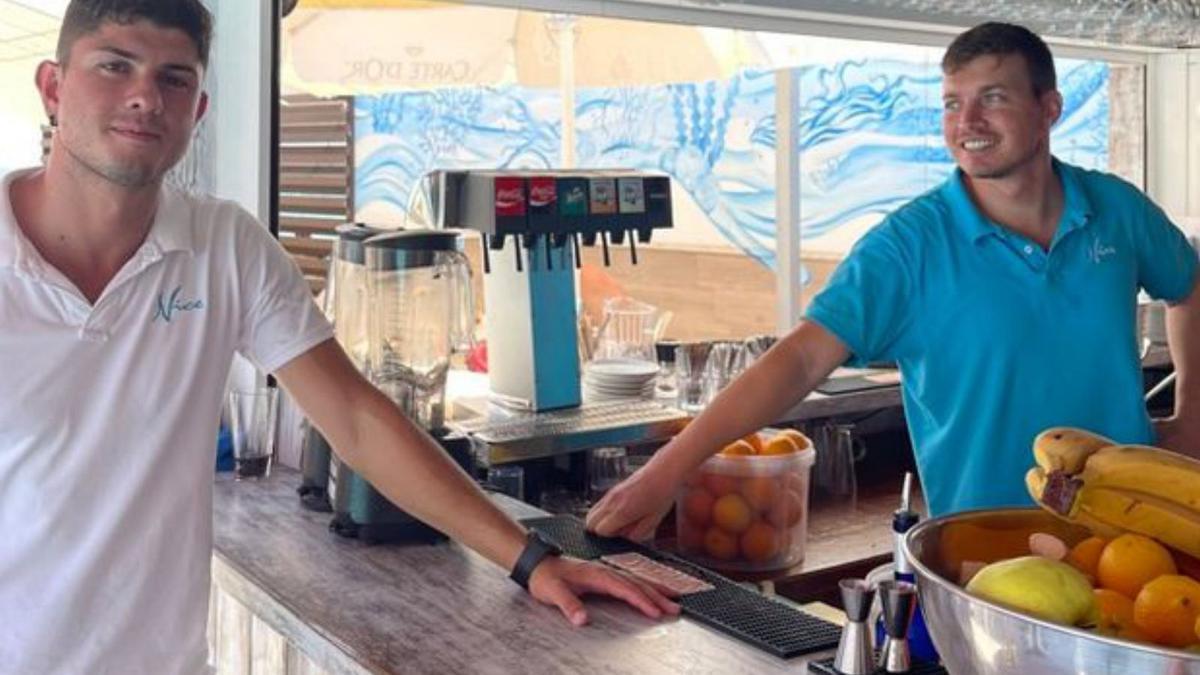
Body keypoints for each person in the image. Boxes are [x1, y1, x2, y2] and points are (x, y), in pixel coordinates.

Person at [0, 2, 677, 673]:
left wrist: (530, 558)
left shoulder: (224, 246)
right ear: (54, 88)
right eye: (115, 66)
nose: (145, 96)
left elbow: (354, 416)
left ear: (198, 111)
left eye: (174, 78)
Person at [588, 22, 1200, 540]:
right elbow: (799, 362)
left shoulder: (1117, 210)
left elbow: (1190, 287)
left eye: (993, 98)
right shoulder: (908, 246)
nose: (968, 121)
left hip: (1136, 533)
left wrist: (1191, 414)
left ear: (1049, 109)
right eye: (952, 102)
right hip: (984, 552)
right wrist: (666, 471)